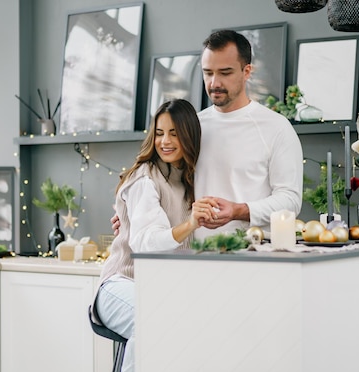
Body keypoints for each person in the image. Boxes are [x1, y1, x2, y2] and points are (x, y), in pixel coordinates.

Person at [112, 30, 303, 238]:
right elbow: (160, 181)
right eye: (208, 72)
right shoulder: (192, 127)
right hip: (192, 255)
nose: (214, 83)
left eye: (225, 72)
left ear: (247, 71)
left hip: (253, 254)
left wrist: (238, 210)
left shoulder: (276, 128)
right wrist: (131, 211)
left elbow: (290, 201)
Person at [92, 98, 210, 372]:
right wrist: (190, 224)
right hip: (120, 284)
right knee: (152, 320)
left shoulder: (193, 182)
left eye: (174, 133)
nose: (165, 142)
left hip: (163, 292)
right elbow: (144, 242)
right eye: (159, 133)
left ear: (189, 137)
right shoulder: (146, 177)